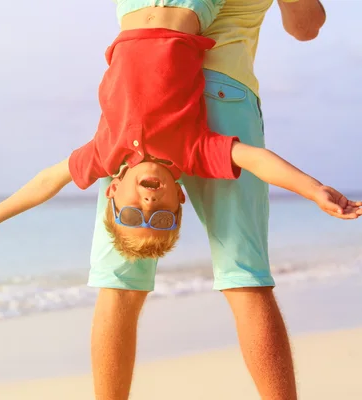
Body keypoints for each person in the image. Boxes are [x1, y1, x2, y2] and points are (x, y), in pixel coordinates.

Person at [87, 1, 336, 400]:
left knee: (118, 283)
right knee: (244, 276)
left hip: (135, 100)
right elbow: (305, 27)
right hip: (222, 93)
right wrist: (310, 187)